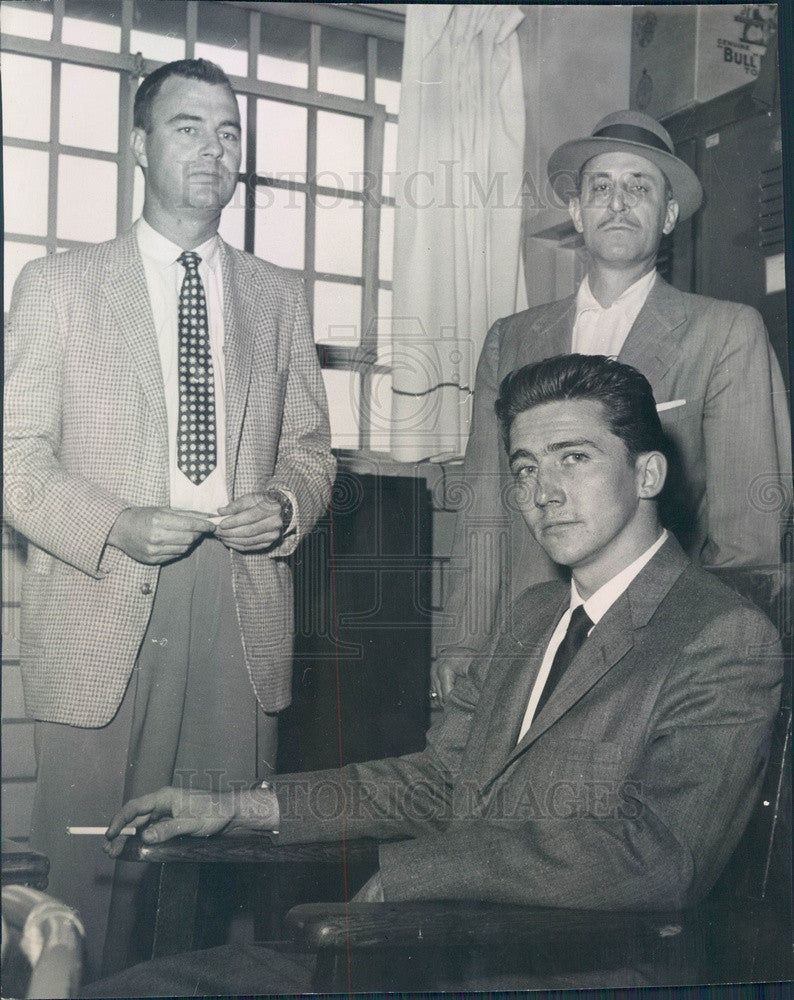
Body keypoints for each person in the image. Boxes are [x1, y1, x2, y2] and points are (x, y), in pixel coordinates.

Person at [94, 354, 782, 994]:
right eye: (526, 468)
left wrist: (416, 875)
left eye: (575, 458)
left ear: (649, 474)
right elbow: (443, 781)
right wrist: (241, 806)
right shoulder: (532, 616)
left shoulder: (719, 634)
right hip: (435, 950)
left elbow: (658, 855)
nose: (543, 492)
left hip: (573, 969)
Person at [3, 58, 335, 977]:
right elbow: (13, 457)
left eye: (229, 132)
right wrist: (114, 523)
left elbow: (311, 447)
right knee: (87, 866)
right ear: (140, 146)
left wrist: (285, 504)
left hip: (241, 603)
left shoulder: (277, 297)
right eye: (189, 127)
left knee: (216, 866)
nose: (215, 148)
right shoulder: (58, 285)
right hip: (100, 593)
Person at [431, 108, 791, 703]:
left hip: (656, 653)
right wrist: (464, 641)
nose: (617, 202)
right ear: (577, 212)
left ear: (669, 214)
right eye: (601, 187)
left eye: (639, 186)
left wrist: (714, 669)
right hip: (526, 645)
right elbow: (485, 509)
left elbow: (746, 536)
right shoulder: (512, 339)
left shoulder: (724, 332)